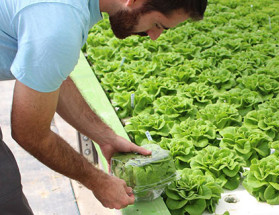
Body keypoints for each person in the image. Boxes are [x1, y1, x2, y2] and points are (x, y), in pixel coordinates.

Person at [0, 0, 207, 213]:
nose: (154, 36)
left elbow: (53, 76)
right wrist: (97, 181)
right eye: (158, 25)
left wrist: (105, 136)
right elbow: (30, 133)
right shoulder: (58, 23)